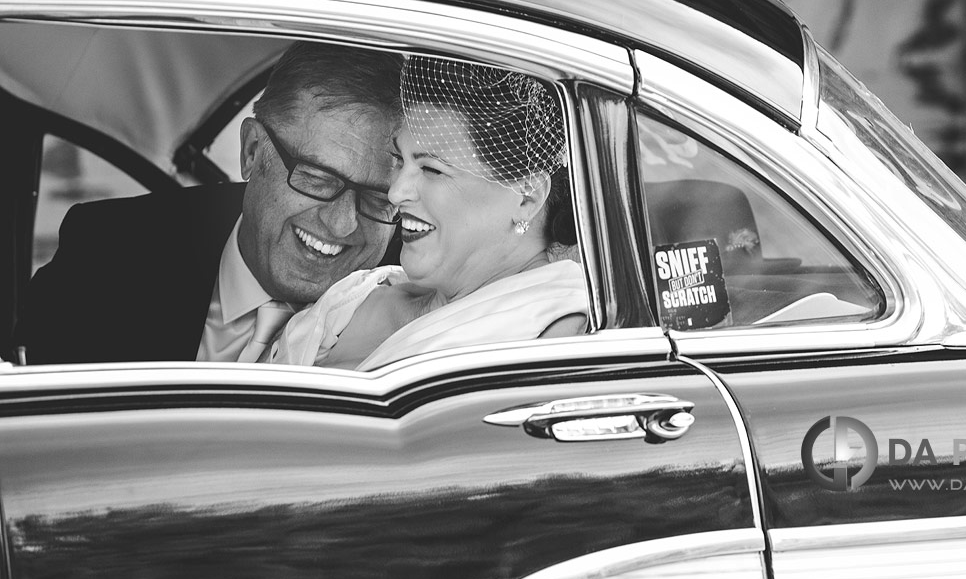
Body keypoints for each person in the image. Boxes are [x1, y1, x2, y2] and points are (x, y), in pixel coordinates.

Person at [13, 41, 404, 365]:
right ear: (252, 151)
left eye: (378, 198)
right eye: (317, 178)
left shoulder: (417, 297)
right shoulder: (107, 254)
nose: (342, 225)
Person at [270, 56, 587, 371]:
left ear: (526, 199)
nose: (396, 192)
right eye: (400, 160)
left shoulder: (559, 336)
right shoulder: (356, 298)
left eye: (432, 170)